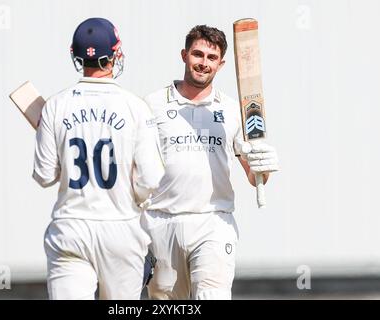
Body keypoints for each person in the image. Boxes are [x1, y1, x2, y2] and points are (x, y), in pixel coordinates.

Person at [141, 25, 279, 300]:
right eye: (198, 54)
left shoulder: (232, 110)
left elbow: (253, 175)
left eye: (211, 58)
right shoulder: (152, 105)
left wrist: (263, 167)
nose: (203, 63)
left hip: (213, 221)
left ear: (221, 63)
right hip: (161, 222)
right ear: (184, 55)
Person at [32, 17, 164, 300]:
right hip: (121, 228)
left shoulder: (56, 105)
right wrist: (136, 198)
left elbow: (44, 175)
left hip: (71, 229)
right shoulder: (135, 108)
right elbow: (151, 178)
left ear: (75, 55)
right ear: (116, 55)